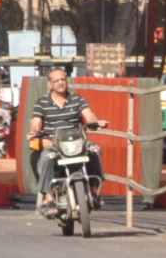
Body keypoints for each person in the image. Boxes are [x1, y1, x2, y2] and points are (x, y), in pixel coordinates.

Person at [22, 64, 106, 205]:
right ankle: (48, 197)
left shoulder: (78, 99)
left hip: (78, 142)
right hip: (54, 144)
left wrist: (96, 122)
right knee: (46, 157)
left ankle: (93, 190)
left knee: (95, 150)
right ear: (50, 84)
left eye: (63, 79)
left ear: (67, 81)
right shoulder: (41, 103)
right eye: (56, 81)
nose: (60, 83)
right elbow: (36, 123)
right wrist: (34, 133)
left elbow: (89, 114)